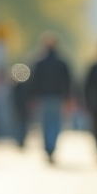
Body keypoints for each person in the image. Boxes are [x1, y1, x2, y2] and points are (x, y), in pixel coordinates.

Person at [28, 33, 71, 163]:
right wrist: (68, 98)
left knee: (45, 123)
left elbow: (34, 81)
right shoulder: (62, 62)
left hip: (43, 97)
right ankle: (52, 146)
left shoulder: (39, 63)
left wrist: (32, 97)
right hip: (57, 97)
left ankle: (48, 147)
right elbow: (67, 81)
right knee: (56, 123)